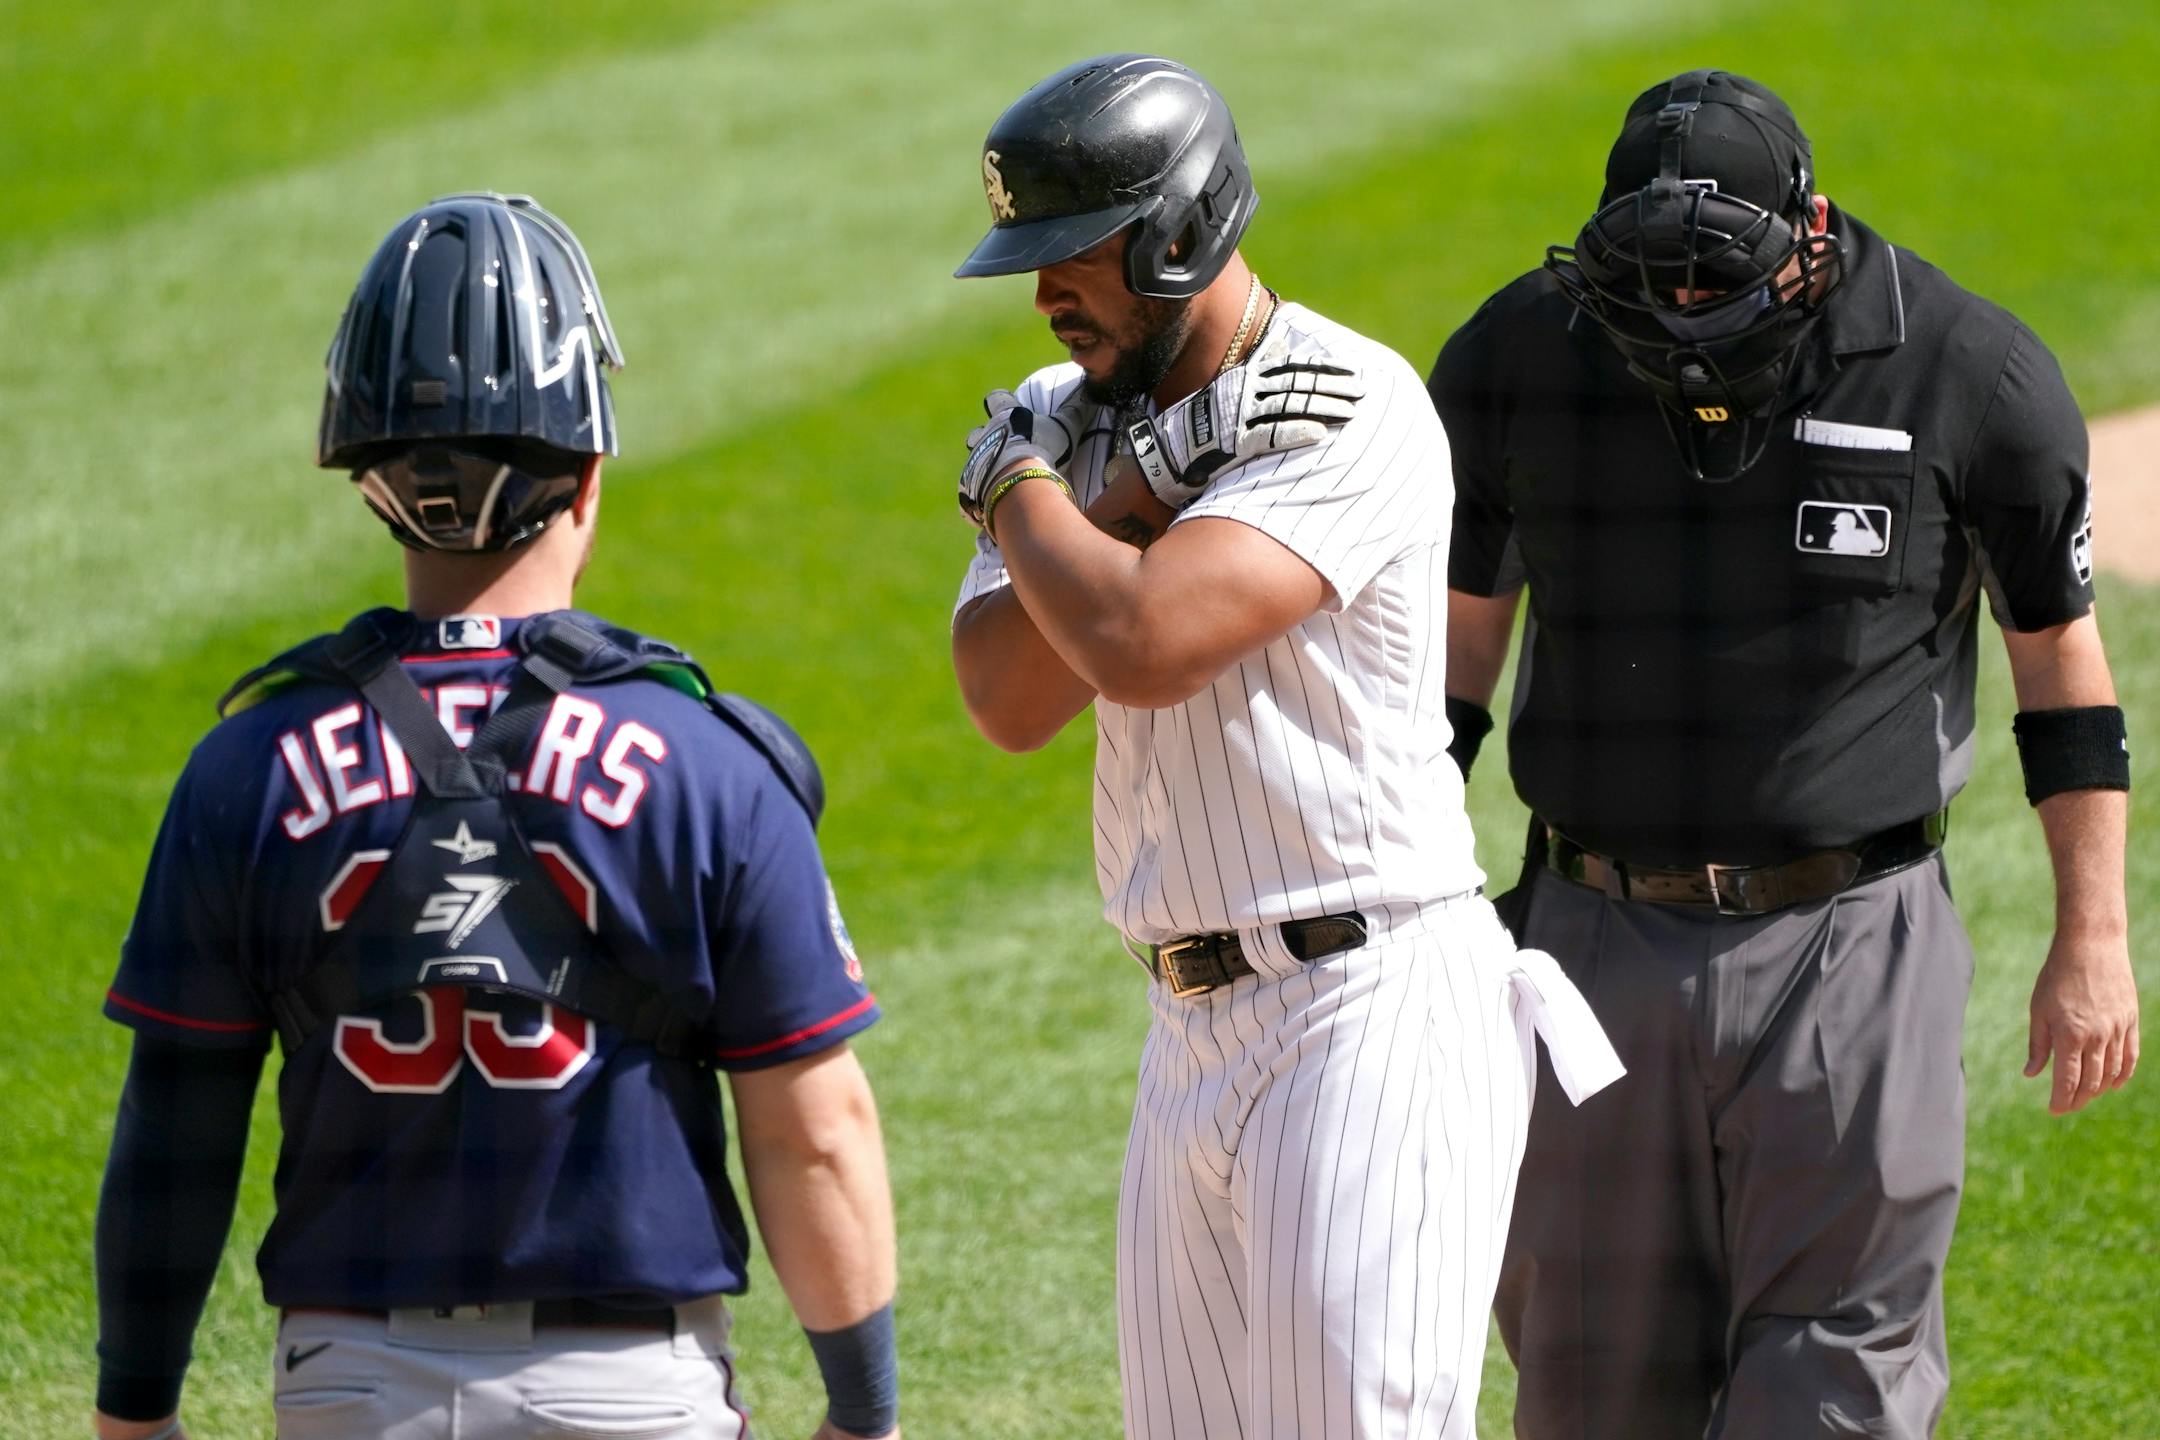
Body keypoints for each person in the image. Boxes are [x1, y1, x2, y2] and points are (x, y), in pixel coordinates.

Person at [92, 192, 901, 1440]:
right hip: (629, 1393)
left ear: (369, 481)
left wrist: (135, 1414)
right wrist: (864, 1408)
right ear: (587, 473)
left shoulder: (248, 765)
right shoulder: (710, 764)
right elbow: (815, 1132)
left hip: (347, 1389)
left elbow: (176, 1129)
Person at [1428, 69, 2140, 1439]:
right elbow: (1453, 653)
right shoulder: (1521, 355)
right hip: (1587, 938)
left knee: (1836, 1396)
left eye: (1714, 280)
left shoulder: (1963, 369)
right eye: (1655, 285)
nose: (1684, 315)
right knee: (1587, 1389)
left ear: (1807, 235)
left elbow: (2059, 663)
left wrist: (2092, 939)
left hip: (1850, 947)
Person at [948, 54, 1621, 1440]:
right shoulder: (1062, 415)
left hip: (1368, 1010)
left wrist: (1029, 491)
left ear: (1177, 231)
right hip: (1186, 1031)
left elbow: (1140, 642)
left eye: (1071, 254)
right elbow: (1009, 694)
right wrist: (1117, 483)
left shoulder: (1347, 402)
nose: (1042, 294)